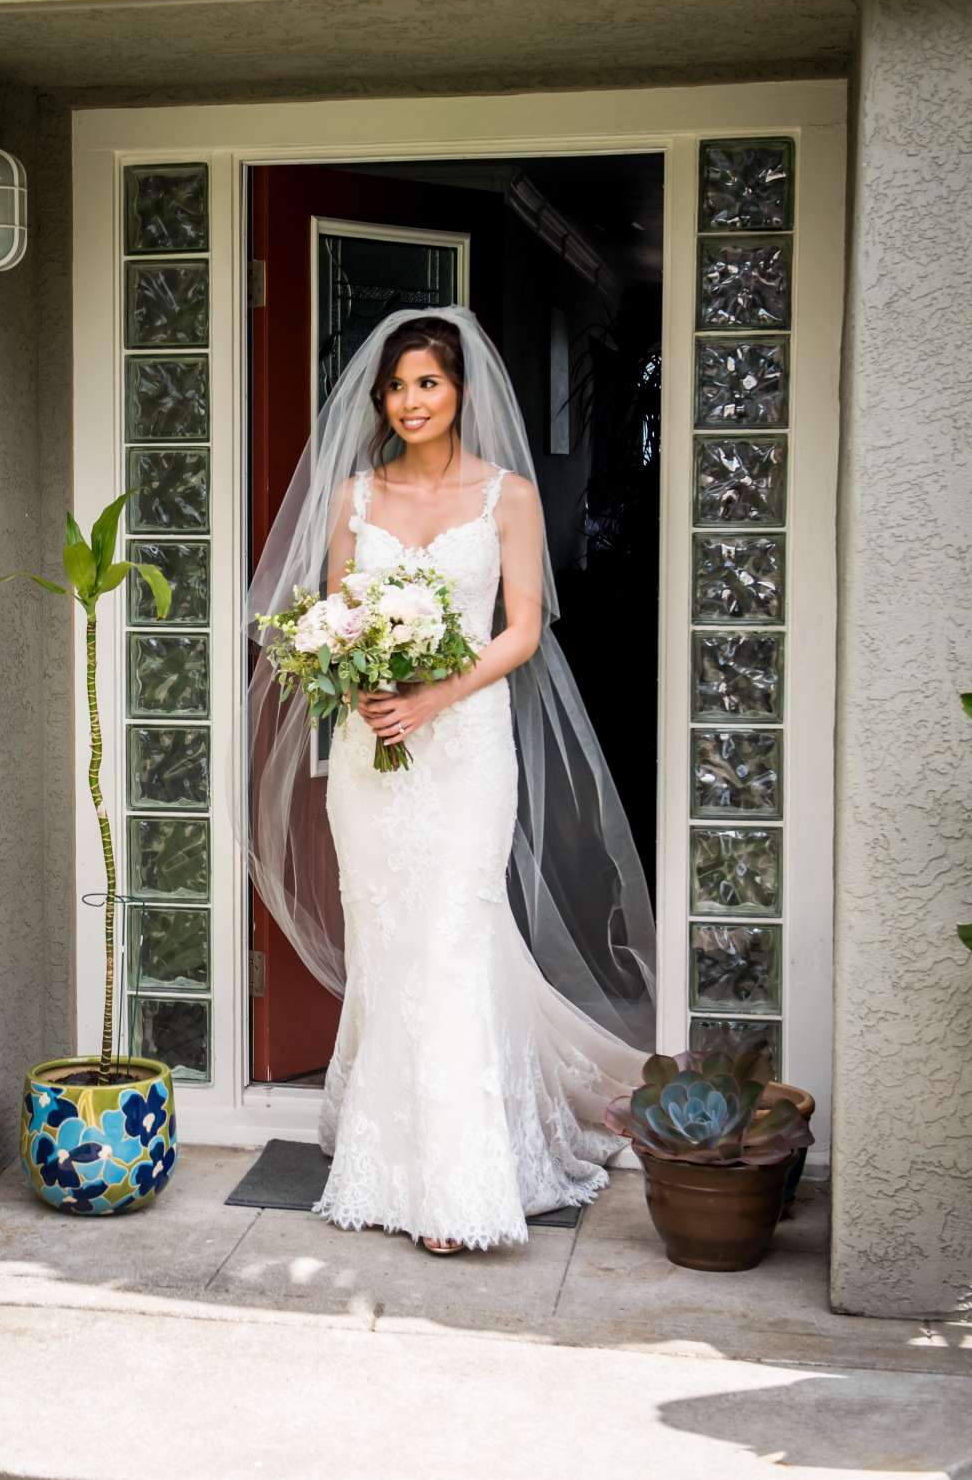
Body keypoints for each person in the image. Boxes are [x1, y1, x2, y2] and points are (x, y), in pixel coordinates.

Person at [245, 307, 656, 1256]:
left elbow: (521, 628)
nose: (409, 401)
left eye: (426, 382)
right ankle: (393, 1158)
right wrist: (360, 676)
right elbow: (332, 619)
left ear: (460, 390)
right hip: (374, 751)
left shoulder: (506, 496)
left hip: (466, 744)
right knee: (393, 943)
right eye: (396, 387)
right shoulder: (353, 497)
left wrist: (436, 696)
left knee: (455, 938)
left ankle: (462, 1181)